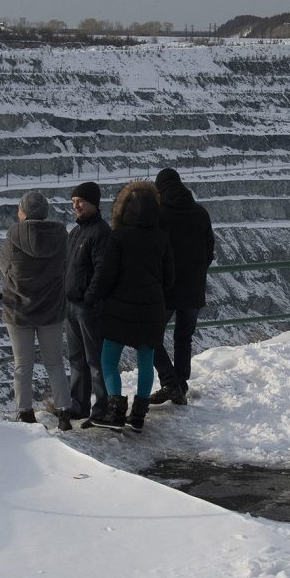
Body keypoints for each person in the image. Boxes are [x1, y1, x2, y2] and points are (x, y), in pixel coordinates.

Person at [86, 178, 175, 431]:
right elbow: (170, 278)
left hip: (119, 309)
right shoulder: (161, 238)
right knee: (146, 360)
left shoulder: (119, 236)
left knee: (109, 359)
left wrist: (94, 296)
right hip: (151, 309)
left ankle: (116, 412)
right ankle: (138, 415)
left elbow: (106, 274)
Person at [0, 190, 70, 428]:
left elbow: (4, 266)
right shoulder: (61, 236)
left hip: (19, 309)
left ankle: (24, 412)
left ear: (24, 212)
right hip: (51, 310)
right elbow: (66, 266)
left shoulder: (13, 236)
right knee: (55, 363)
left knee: (22, 364)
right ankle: (64, 412)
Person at [152, 167, 216, 405]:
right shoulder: (201, 212)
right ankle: (181, 384)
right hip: (194, 287)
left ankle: (170, 382)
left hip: (167, 288)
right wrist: (196, 272)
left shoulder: (159, 215)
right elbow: (209, 250)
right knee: (183, 338)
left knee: (149, 335)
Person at [60, 180, 110, 425]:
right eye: (73, 202)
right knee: (76, 358)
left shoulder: (100, 232)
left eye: (80, 201)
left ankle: (102, 407)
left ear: (93, 203)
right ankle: (79, 405)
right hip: (71, 305)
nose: (76, 206)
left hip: (88, 307)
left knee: (95, 360)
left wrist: (90, 297)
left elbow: (103, 270)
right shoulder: (76, 231)